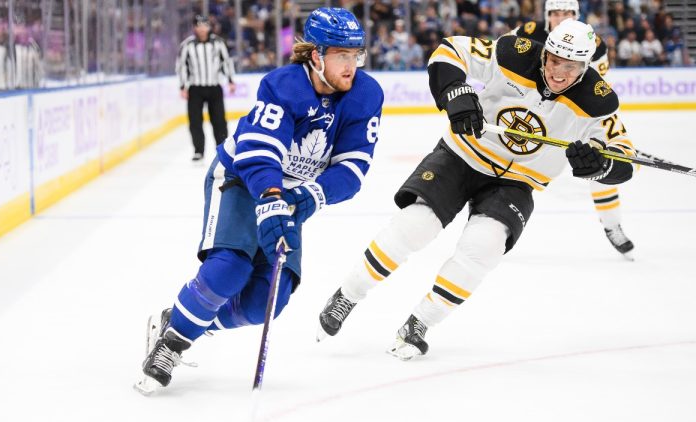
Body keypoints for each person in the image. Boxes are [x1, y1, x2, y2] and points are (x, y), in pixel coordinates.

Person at [317, 19, 635, 361]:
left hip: (519, 181)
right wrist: (455, 91)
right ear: (546, 52)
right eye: (554, 59)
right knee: (415, 226)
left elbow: (623, 157)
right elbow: (450, 49)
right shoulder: (516, 53)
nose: (558, 71)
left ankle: (420, 323)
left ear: (586, 66)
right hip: (462, 155)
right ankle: (347, 295)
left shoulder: (599, 101)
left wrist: (600, 165)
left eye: (570, 66)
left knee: (484, 247)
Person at [135, 7, 384, 394]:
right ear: (316, 55)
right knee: (229, 269)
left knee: (266, 301)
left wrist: (308, 197)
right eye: (342, 55)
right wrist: (270, 196)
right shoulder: (283, 86)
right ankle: (171, 343)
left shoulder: (366, 96)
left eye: (356, 55)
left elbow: (352, 170)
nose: (352, 65)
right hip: (242, 180)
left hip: (289, 194)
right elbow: (258, 152)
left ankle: (180, 319)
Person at [510, 0, 634, 258]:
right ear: (547, 16)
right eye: (556, 12)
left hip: (571, 113)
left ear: (577, 15)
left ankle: (612, 225)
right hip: (530, 111)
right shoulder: (529, 33)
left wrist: (604, 136)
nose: (562, 17)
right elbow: (500, 60)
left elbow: (595, 90)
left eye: (567, 12)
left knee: (599, 165)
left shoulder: (593, 44)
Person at [175, 14, 236, 162]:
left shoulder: (218, 43)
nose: (202, 29)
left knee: (219, 120)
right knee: (195, 120)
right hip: (195, 88)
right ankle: (198, 150)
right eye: (199, 25)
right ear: (194, 27)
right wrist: (183, 86)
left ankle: (221, 150)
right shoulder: (187, 45)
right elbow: (181, 66)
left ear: (209, 27)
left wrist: (230, 80)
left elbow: (226, 62)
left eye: (205, 25)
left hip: (214, 87)